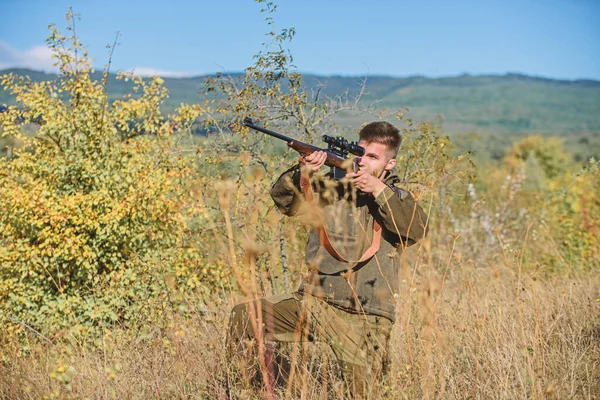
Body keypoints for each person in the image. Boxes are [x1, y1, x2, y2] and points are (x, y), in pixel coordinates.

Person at [227, 121, 429, 397]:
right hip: (315, 302)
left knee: (365, 392)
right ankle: (247, 392)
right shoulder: (332, 187)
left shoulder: (397, 198)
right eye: (360, 153)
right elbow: (284, 201)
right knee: (245, 318)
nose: (363, 162)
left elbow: (416, 229)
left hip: (366, 315)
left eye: (373, 157)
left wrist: (377, 189)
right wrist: (304, 171)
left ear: (389, 164)